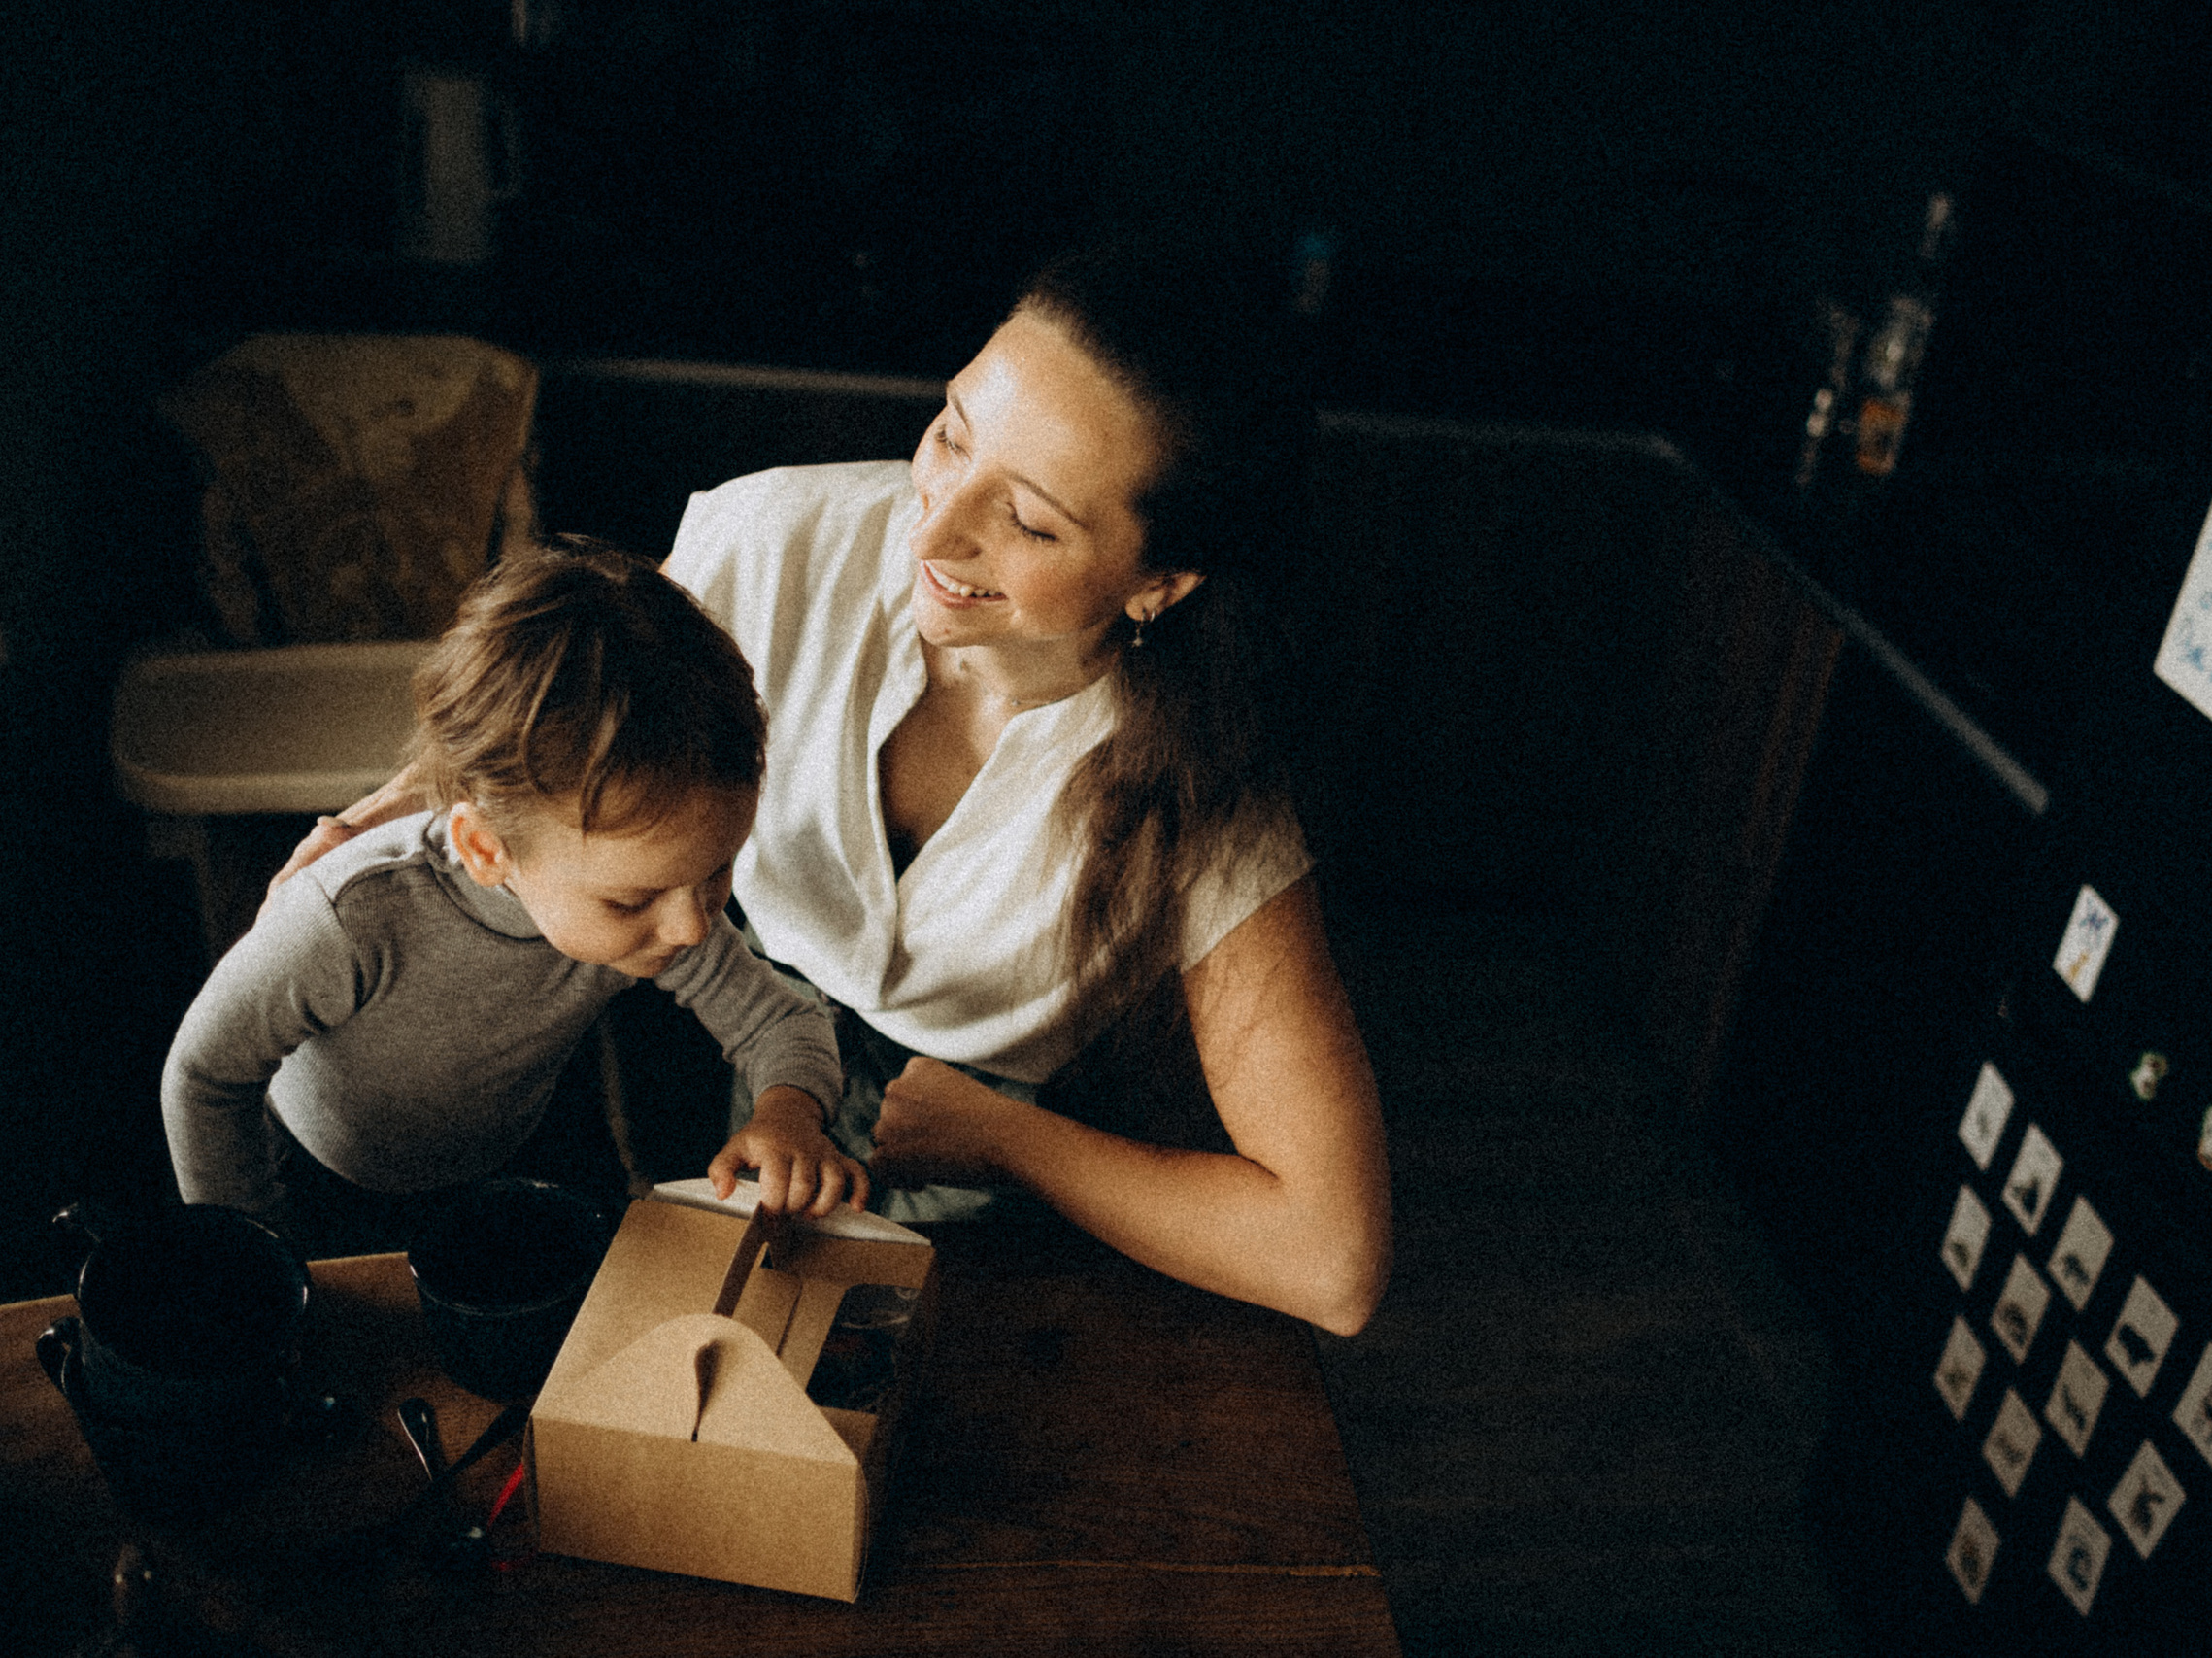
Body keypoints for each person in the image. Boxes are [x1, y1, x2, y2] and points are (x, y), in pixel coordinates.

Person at [271, 243, 1391, 1335]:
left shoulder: (1206, 777)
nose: (936, 528)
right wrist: (381, 813)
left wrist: (1004, 1138)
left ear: (1161, 580)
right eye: (951, 434)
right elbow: (553, 714)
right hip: (728, 1030)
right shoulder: (776, 539)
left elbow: (1332, 1263)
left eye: (1031, 520)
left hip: (982, 1143)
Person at [168, 539, 864, 1254]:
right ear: (485, 849)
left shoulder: (659, 905)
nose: (692, 926)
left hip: (520, 1149)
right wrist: (251, 1242)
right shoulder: (350, 917)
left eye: (718, 871)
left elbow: (783, 1021)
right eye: (631, 901)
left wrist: (787, 1112)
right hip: (324, 1182)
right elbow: (204, 1074)